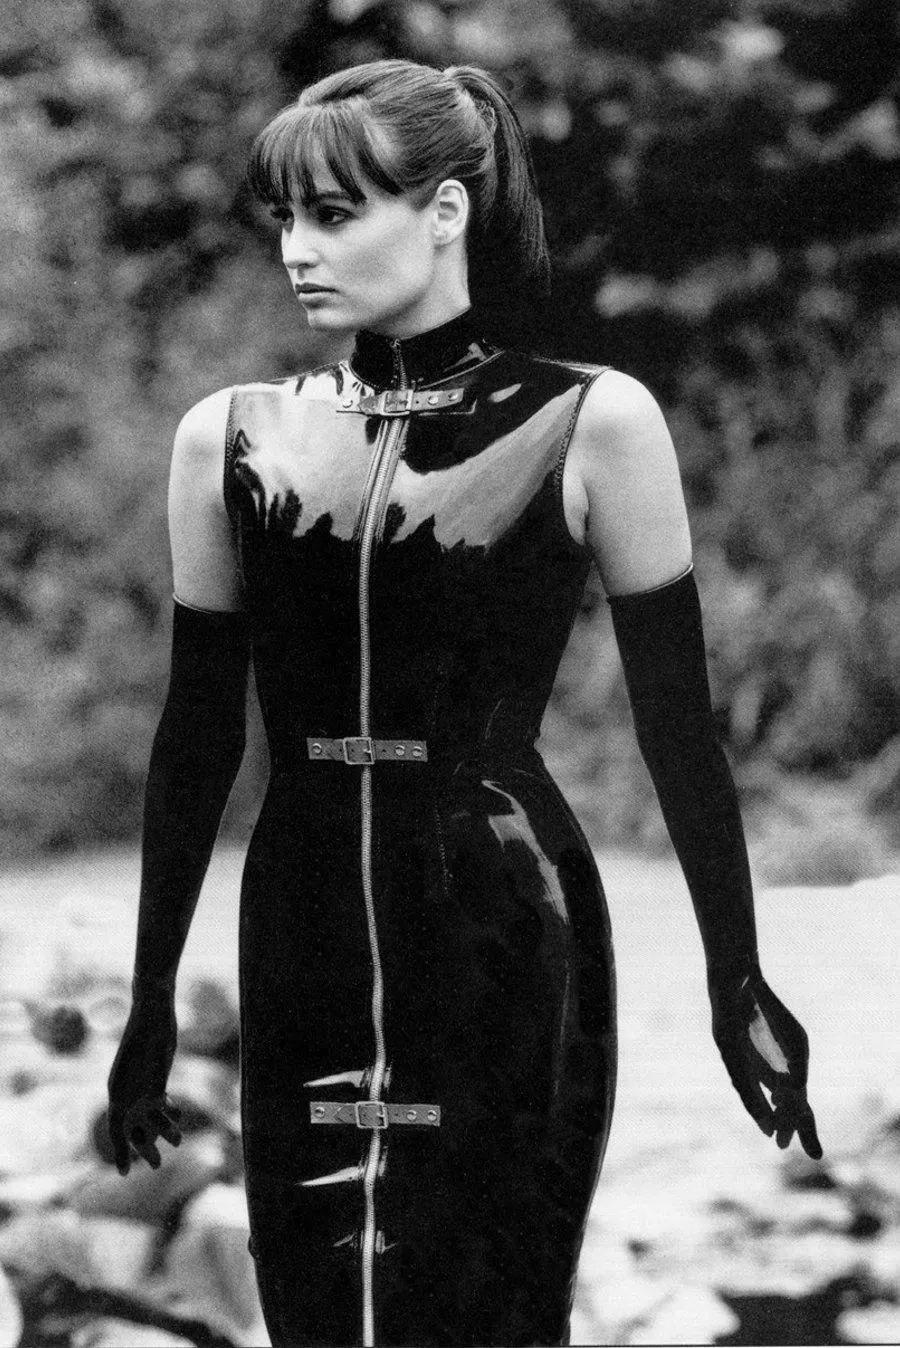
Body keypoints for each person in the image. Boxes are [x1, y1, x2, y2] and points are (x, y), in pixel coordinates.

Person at [106, 58, 821, 1348]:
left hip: (504, 934)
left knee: (494, 1317)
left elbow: (679, 728)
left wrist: (738, 976)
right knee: (316, 1317)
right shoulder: (231, 436)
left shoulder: (593, 421)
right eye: (286, 217)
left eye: (335, 214)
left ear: (445, 211)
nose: (298, 249)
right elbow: (197, 738)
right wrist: (152, 997)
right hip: (302, 939)